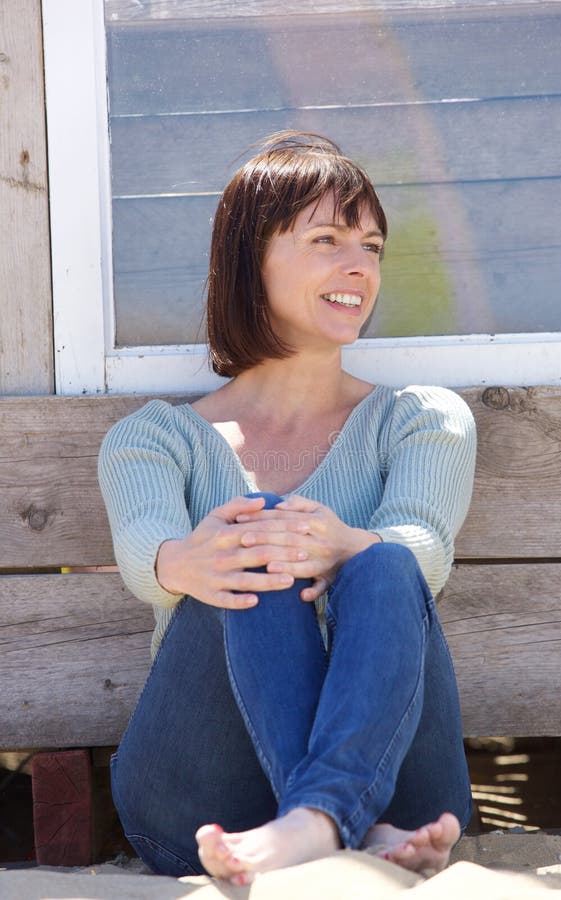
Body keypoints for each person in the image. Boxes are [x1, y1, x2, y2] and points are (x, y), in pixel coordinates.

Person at [98, 131, 476, 886]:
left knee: (384, 561)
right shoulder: (154, 439)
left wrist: (343, 545)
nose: (359, 266)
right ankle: (341, 822)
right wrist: (183, 561)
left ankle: (318, 819)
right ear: (251, 259)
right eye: (327, 239)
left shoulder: (423, 419)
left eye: (371, 246)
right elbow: (148, 547)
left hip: (403, 788)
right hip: (203, 805)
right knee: (255, 536)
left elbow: (423, 549)